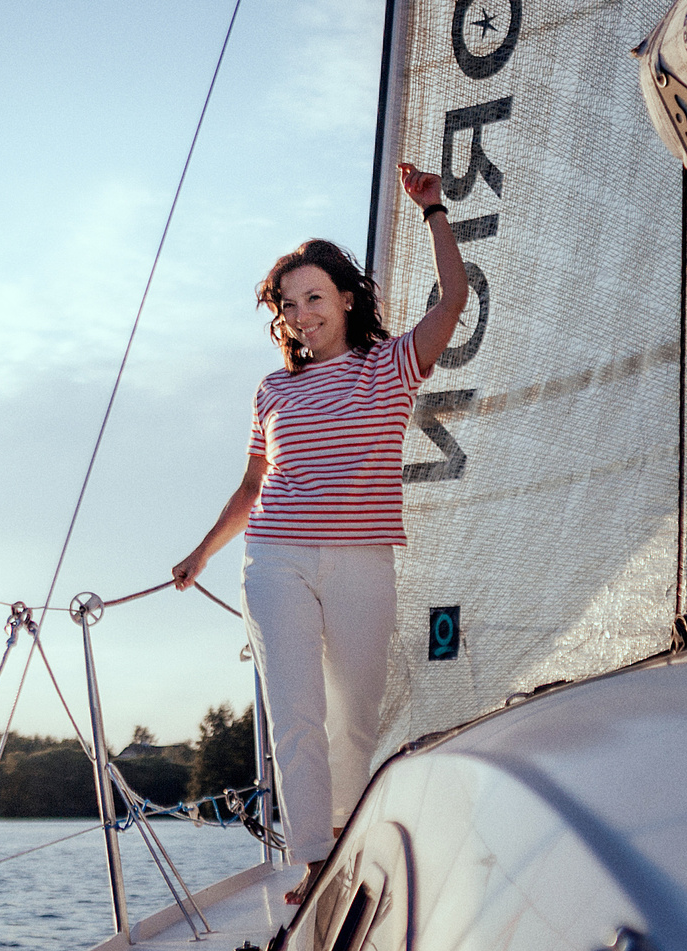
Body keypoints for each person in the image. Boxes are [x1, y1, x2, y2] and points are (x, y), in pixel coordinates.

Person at [172, 162, 470, 890]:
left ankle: (344, 833)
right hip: (274, 556)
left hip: (363, 557)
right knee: (295, 710)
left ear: (344, 297)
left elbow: (455, 297)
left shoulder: (392, 364)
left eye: (313, 297)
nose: (300, 314)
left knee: (355, 714)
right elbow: (252, 485)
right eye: (287, 304)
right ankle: (313, 860)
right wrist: (202, 552)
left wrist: (434, 210)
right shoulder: (271, 389)